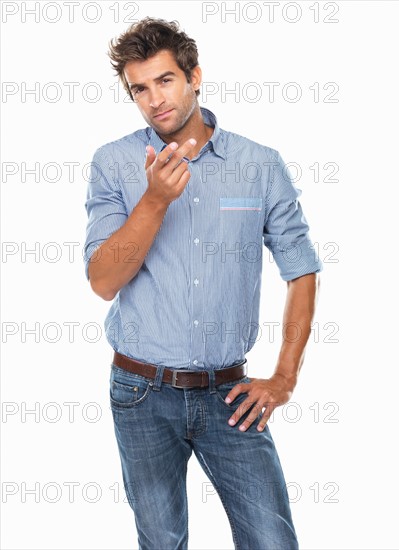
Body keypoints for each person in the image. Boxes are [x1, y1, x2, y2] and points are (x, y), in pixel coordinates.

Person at [83, 16, 322, 550]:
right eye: (139, 89)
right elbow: (102, 280)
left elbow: (300, 267)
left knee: (271, 540)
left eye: (165, 80)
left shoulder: (258, 165)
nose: (154, 99)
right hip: (140, 391)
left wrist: (284, 377)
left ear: (194, 76)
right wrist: (153, 201)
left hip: (230, 394)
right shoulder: (115, 164)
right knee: (162, 541)